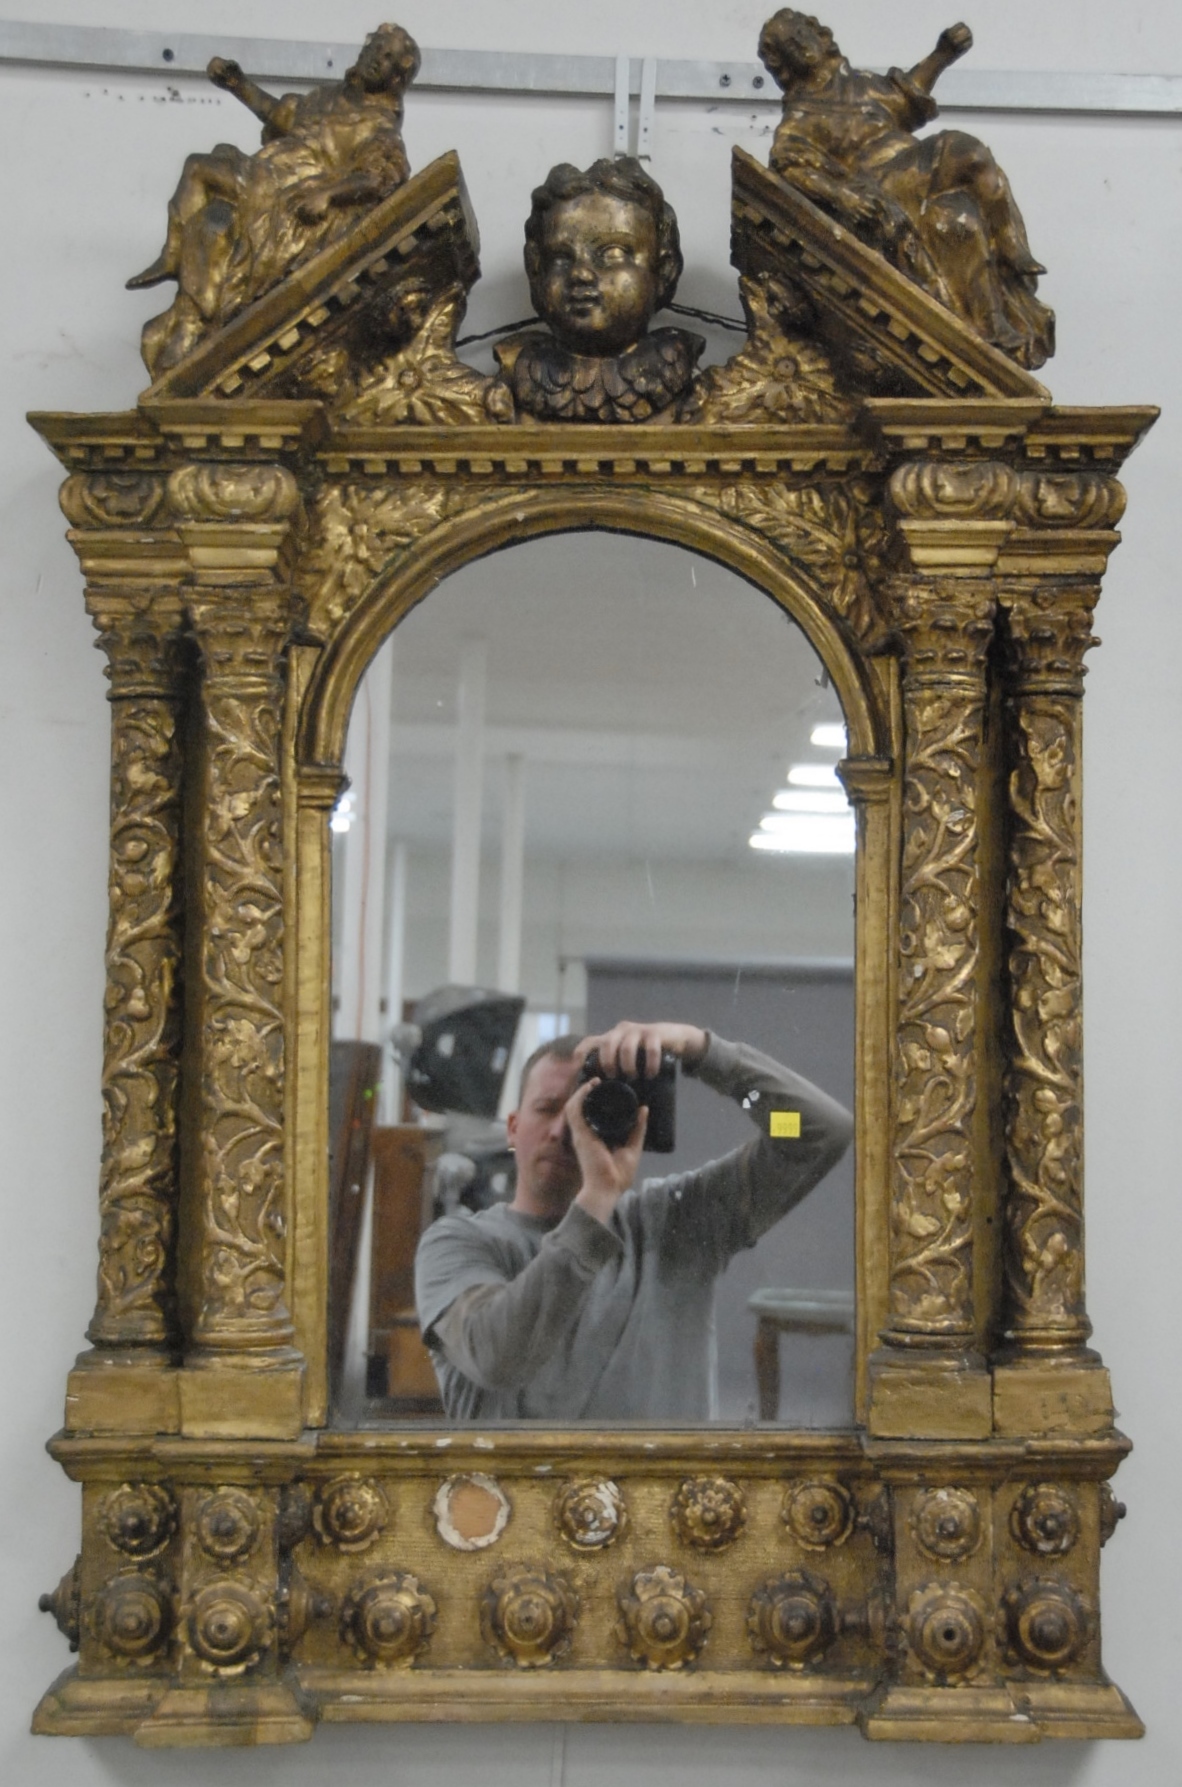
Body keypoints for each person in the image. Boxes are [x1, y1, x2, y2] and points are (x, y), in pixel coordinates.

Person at [414, 1019, 852, 1421]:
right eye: (548, 1108)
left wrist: (702, 1052)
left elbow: (810, 1132)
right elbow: (497, 1357)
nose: (564, 1130)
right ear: (512, 1128)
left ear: (628, 1120)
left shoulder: (677, 1221)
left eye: (583, 1110)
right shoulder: (457, 1244)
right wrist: (596, 1200)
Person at [757, 10, 1054, 369]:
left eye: (803, 33)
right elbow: (790, 167)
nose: (802, 44)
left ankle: (990, 328)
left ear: (819, 35)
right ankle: (1011, 251)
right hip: (882, 185)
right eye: (790, 44)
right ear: (782, 63)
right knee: (965, 149)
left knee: (959, 220)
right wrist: (845, 197)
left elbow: (907, 96)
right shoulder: (799, 119)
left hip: (917, 173)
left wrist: (942, 54)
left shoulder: (861, 86)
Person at [129, 24, 420, 376]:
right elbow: (279, 115)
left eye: (387, 57)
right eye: (375, 48)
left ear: (396, 77)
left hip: (284, 191)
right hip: (268, 172)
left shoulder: (378, 124)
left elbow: (380, 177)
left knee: (199, 168)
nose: (375, 58)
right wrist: (238, 84)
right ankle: (189, 324)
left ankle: (174, 263)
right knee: (211, 223)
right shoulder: (325, 99)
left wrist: (326, 195)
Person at [493, 158, 704, 421]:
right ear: (535, 269)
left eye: (612, 253)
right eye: (560, 257)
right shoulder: (505, 387)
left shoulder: (699, 393)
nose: (580, 272)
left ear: (663, 270)